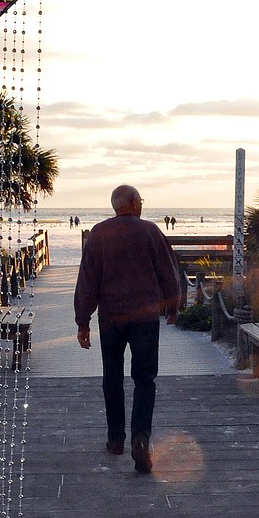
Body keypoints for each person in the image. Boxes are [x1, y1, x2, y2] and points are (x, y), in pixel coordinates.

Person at [74, 184, 181, 473]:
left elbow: (87, 281)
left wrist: (83, 321)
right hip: (145, 318)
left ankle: (116, 439)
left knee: (112, 378)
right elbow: (168, 272)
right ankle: (141, 438)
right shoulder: (149, 231)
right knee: (145, 380)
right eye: (140, 200)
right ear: (134, 203)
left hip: (111, 318)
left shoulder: (98, 233)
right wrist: (173, 307)